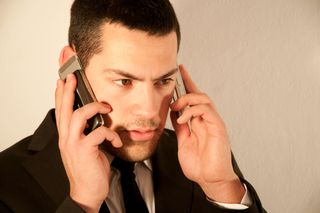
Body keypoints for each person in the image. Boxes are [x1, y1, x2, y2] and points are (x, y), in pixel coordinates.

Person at [0, 0, 266, 212]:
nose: (150, 111)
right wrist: (82, 204)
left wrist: (221, 186)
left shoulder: (204, 159)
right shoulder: (7, 183)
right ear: (71, 68)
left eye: (164, 80)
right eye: (124, 81)